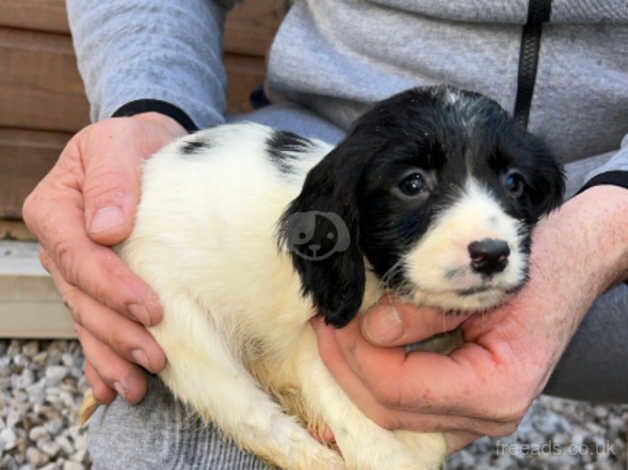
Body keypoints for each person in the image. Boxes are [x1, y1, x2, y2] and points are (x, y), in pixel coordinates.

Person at [22, 0, 627, 467]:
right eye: (417, 185)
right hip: (326, 150)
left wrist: (598, 235)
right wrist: (150, 104)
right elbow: (326, 315)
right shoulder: (324, 219)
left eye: (517, 185)